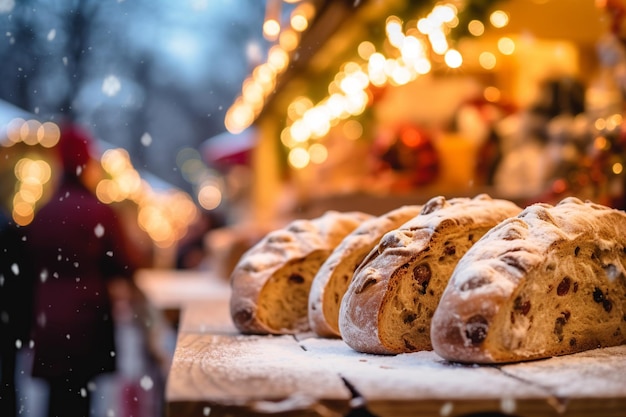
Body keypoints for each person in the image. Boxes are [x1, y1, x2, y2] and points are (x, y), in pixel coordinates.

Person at [24, 123, 143, 417]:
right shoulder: (98, 211)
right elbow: (128, 263)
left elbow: (27, 266)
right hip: (86, 322)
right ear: (86, 162)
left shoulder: (43, 213)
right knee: (79, 399)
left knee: (57, 401)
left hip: (49, 320)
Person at [0, 209, 34, 417]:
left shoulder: (10, 232)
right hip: (8, 318)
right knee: (8, 377)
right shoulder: (11, 231)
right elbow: (22, 284)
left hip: (8, 316)